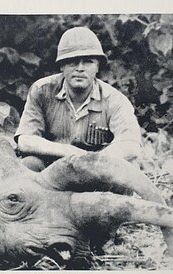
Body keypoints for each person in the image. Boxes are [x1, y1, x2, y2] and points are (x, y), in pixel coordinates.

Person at [14, 27, 142, 172]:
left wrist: (92, 161)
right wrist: (71, 152)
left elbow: (131, 145)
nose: (80, 68)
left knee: (129, 168)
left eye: (88, 62)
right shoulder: (42, 90)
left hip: (97, 172)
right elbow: (25, 141)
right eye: (72, 62)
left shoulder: (114, 99)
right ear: (62, 66)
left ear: (98, 66)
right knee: (29, 165)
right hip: (53, 171)